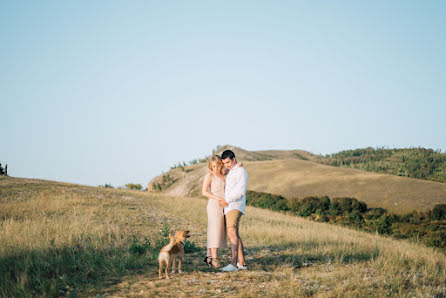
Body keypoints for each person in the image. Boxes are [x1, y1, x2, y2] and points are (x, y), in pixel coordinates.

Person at [219, 149, 248, 272]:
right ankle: (242, 263)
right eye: (224, 163)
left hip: (234, 205)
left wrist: (227, 200)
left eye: (228, 162)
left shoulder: (240, 172)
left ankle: (233, 264)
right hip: (229, 206)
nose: (226, 165)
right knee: (234, 234)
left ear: (234, 159)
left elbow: (240, 191)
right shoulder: (231, 171)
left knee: (231, 233)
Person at [201, 155, 227, 268]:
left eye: (218, 166)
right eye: (213, 166)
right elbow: (204, 192)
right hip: (214, 205)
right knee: (214, 231)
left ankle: (208, 257)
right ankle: (215, 259)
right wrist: (218, 199)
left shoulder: (224, 175)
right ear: (210, 167)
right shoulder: (209, 176)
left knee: (219, 231)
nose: (216, 169)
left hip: (224, 206)